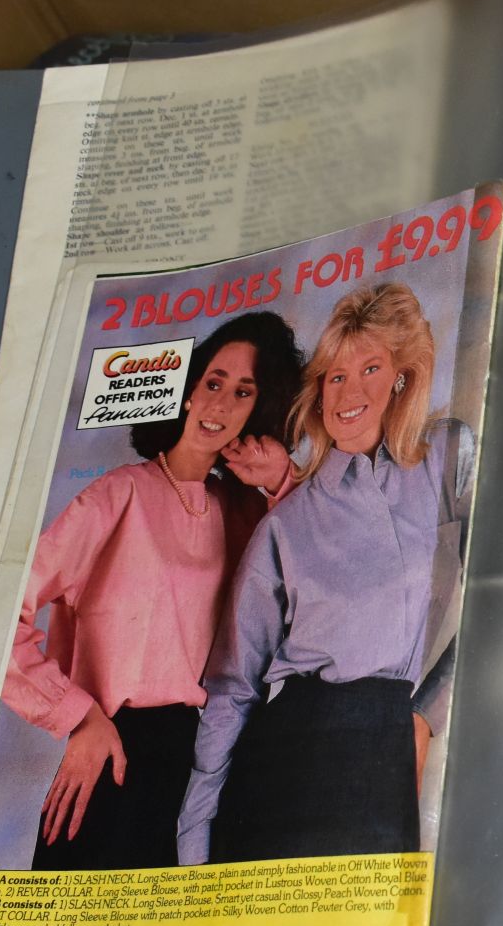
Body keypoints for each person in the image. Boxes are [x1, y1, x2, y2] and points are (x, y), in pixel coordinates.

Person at [177, 281, 472, 866]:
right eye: (335, 376)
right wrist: (194, 831)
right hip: (284, 754)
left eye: (369, 368)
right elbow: (235, 687)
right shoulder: (286, 524)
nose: (349, 392)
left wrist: (424, 712)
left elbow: (500, 596)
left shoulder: (445, 456)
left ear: (401, 379)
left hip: (385, 743)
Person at [4, 310, 303, 870]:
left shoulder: (244, 515)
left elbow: (318, 583)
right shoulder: (117, 496)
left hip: (208, 762)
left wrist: (282, 479)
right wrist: (79, 717)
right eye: (213, 382)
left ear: (255, 413)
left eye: (242, 393)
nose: (219, 403)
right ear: (188, 392)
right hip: (114, 752)